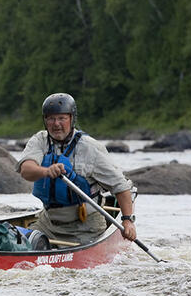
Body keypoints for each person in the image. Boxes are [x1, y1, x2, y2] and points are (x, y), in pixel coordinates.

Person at [16, 93, 137, 245]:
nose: (56, 124)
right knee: (18, 242)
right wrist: (46, 171)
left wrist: (127, 220)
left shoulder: (91, 148)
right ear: (45, 120)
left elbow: (120, 186)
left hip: (86, 227)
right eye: (51, 118)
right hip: (48, 223)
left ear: (72, 119)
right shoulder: (39, 140)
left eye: (62, 118)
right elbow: (26, 170)